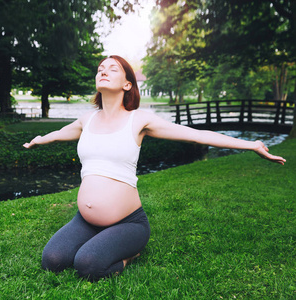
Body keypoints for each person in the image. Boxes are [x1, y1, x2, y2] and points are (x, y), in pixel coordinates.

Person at [23, 55, 286, 281]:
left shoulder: (139, 120)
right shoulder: (86, 120)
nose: (103, 70)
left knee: (87, 265)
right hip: (86, 221)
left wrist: (250, 145)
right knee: (52, 261)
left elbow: (195, 134)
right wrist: (38, 140)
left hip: (129, 223)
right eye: (100, 68)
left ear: (127, 84)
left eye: (113, 68)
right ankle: (99, 239)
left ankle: (131, 253)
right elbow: (59, 132)